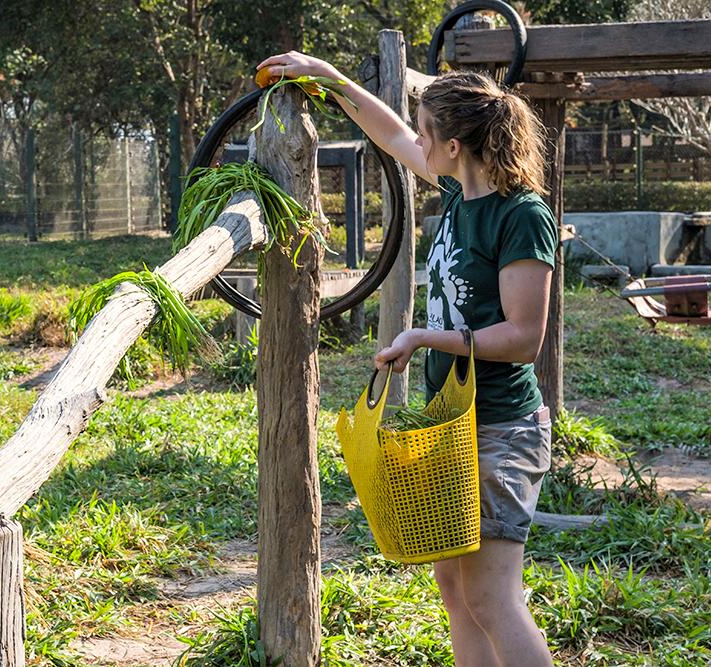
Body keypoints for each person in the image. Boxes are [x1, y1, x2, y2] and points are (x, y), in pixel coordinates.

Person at [256, 51, 557, 666]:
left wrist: (425, 337)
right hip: (453, 426)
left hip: (501, 427)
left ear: (454, 145)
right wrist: (329, 79)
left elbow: (525, 338)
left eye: (427, 130)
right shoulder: (457, 189)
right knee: (456, 590)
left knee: (492, 595)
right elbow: (389, 132)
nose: (416, 137)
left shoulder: (521, 215)